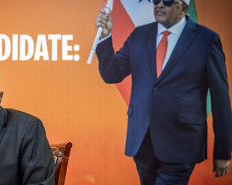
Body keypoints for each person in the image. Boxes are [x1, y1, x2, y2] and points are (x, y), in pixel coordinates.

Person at [95, 0, 232, 184]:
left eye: (166, 1)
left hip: (182, 145)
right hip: (143, 144)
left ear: (183, 7)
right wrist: (105, 37)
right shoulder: (140, 35)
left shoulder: (206, 40)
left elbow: (220, 98)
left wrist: (223, 151)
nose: (159, 5)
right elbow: (112, 73)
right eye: (155, 1)